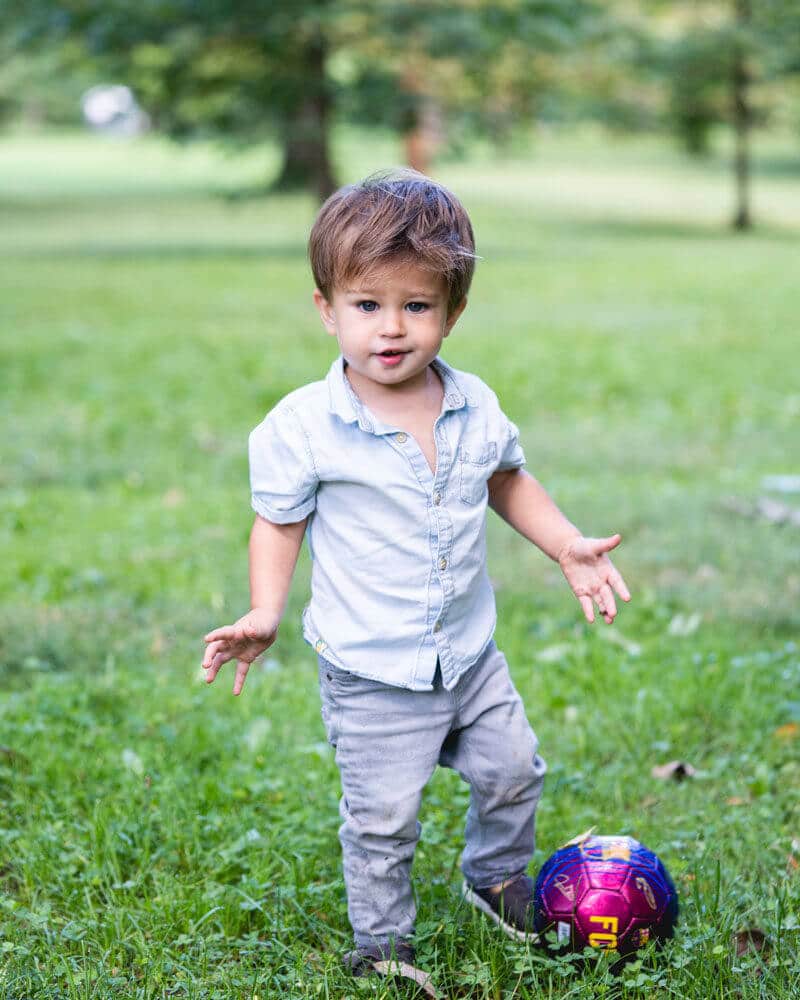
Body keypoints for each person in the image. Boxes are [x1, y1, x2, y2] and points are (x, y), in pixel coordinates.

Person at [201, 169, 630, 982]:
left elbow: (506, 479)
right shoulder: (305, 426)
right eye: (367, 306)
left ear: (453, 312)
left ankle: (495, 879)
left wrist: (566, 544)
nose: (390, 329)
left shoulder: (473, 404)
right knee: (384, 819)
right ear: (326, 309)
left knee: (513, 772)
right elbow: (279, 521)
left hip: (468, 654)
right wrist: (264, 611)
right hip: (373, 671)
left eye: (417, 306)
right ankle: (383, 947)